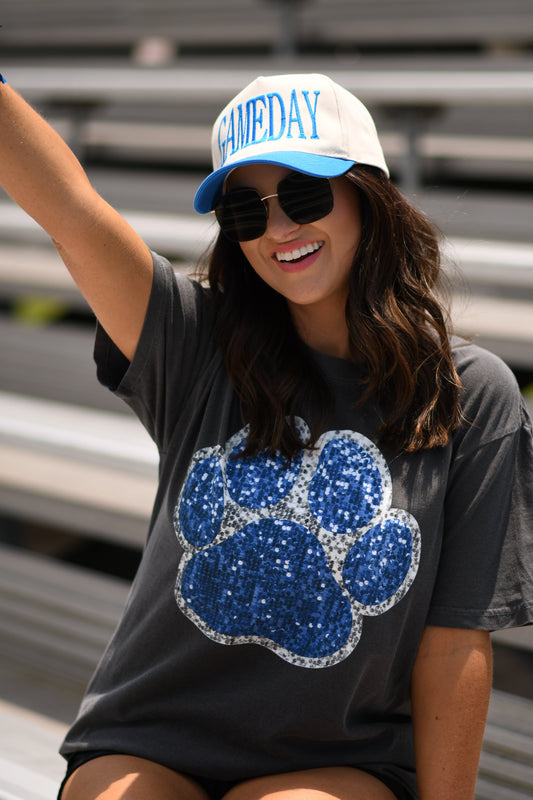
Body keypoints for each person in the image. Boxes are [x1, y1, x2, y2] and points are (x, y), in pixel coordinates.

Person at [0, 70, 532, 800]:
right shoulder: (194, 342)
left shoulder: (474, 396)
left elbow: (454, 642)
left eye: (304, 194)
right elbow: (68, 210)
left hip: (343, 761)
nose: (279, 229)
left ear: (367, 195)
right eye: (245, 211)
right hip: (152, 740)